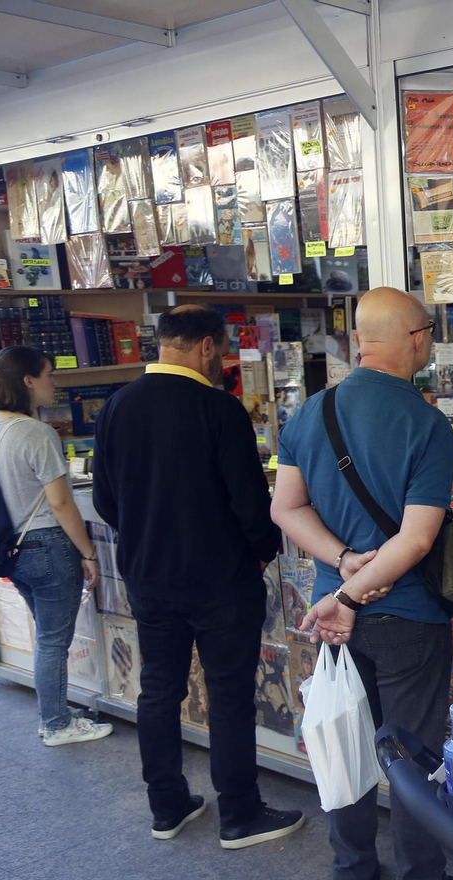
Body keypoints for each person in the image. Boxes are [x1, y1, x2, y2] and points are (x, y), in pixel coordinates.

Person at [275, 287, 453, 880]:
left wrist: (340, 567)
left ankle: (351, 875)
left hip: (332, 617)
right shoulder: (424, 423)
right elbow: (417, 539)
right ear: (416, 339)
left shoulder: (311, 412)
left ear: (358, 341)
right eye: (427, 332)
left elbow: (286, 509)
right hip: (405, 617)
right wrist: (353, 585)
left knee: (345, 738)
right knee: (413, 754)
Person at [93, 305, 303, 848]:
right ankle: (239, 812)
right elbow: (249, 502)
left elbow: (104, 500)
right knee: (230, 692)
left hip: (148, 576)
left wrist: (146, 534)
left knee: (158, 690)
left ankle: (166, 806)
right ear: (206, 346)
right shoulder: (219, 409)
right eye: (222, 349)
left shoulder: (116, 406)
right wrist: (260, 551)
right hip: (219, 578)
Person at [0, 346, 110, 747]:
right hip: (49, 545)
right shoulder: (37, 433)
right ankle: (56, 723)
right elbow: (61, 502)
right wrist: (87, 552)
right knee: (54, 640)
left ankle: (56, 715)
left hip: (12, 547)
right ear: (28, 381)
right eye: (49, 374)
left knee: (46, 637)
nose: (55, 382)